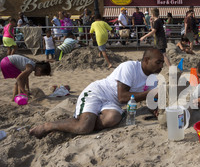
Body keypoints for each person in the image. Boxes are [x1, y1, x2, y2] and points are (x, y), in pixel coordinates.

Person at [29, 49, 165, 139]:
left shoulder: (152, 80)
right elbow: (122, 96)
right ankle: (48, 126)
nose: (161, 66)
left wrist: (156, 110)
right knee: (84, 127)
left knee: (113, 118)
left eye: (162, 63)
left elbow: (149, 99)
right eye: (158, 62)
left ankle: (84, 121)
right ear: (146, 60)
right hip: (97, 92)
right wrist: (152, 93)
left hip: (112, 103)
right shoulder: (129, 67)